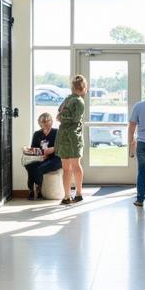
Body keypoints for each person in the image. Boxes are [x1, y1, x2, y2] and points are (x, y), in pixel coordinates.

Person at [56, 75, 87, 206]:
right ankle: (74, 194)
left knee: (69, 168)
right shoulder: (79, 101)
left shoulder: (69, 99)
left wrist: (61, 116)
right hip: (72, 136)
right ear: (84, 88)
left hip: (66, 135)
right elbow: (74, 118)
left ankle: (72, 195)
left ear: (72, 87)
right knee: (71, 167)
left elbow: (60, 114)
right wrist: (62, 116)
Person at [24, 113, 62, 200]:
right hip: (41, 158)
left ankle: (39, 188)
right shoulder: (37, 134)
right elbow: (34, 148)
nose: (45, 123)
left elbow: (61, 147)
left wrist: (49, 152)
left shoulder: (57, 132)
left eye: (47, 121)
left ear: (51, 122)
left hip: (55, 159)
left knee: (41, 168)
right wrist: (31, 151)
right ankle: (31, 190)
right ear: (39, 123)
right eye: (42, 122)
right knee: (29, 166)